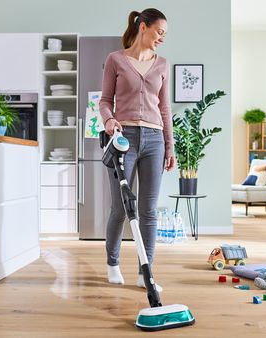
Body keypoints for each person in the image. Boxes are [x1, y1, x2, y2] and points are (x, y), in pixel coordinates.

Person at [99, 8, 174, 292]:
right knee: (120, 207)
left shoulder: (163, 64)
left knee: (149, 209)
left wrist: (170, 146)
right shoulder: (116, 60)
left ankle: (146, 271)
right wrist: (109, 120)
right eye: (159, 32)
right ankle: (112, 262)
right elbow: (105, 100)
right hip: (123, 137)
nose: (162, 38)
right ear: (143, 27)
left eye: (165, 34)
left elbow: (165, 109)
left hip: (154, 139)